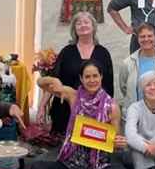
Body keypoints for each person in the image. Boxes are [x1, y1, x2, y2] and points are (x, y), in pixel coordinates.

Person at [31, 60, 130, 169]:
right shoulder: (73, 96)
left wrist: (119, 144)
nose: (91, 80)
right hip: (71, 163)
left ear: (101, 77)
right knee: (37, 167)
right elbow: (40, 83)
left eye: (95, 76)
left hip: (97, 166)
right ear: (81, 79)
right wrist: (54, 80)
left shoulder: (112, 107)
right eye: (87, 77)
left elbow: (114, 142)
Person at [36, 12, 114, 142]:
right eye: (79, 23)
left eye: (86, 22)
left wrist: (109, 113)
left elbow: (109, 85)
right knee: (65, 148)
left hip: (94, 111)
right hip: (65, 109)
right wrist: (41, 106)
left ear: (93, 26)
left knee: (90, 146)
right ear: (74, 29)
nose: (83, 25)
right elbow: (52, 81)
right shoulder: (67, 52)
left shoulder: (103, 53)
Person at [119, 22, 155, 122]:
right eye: (142, 36)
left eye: (150, 36)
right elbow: (124, 87)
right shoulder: (128, 63)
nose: (146, 39)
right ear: (138, 39)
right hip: (135, 118)